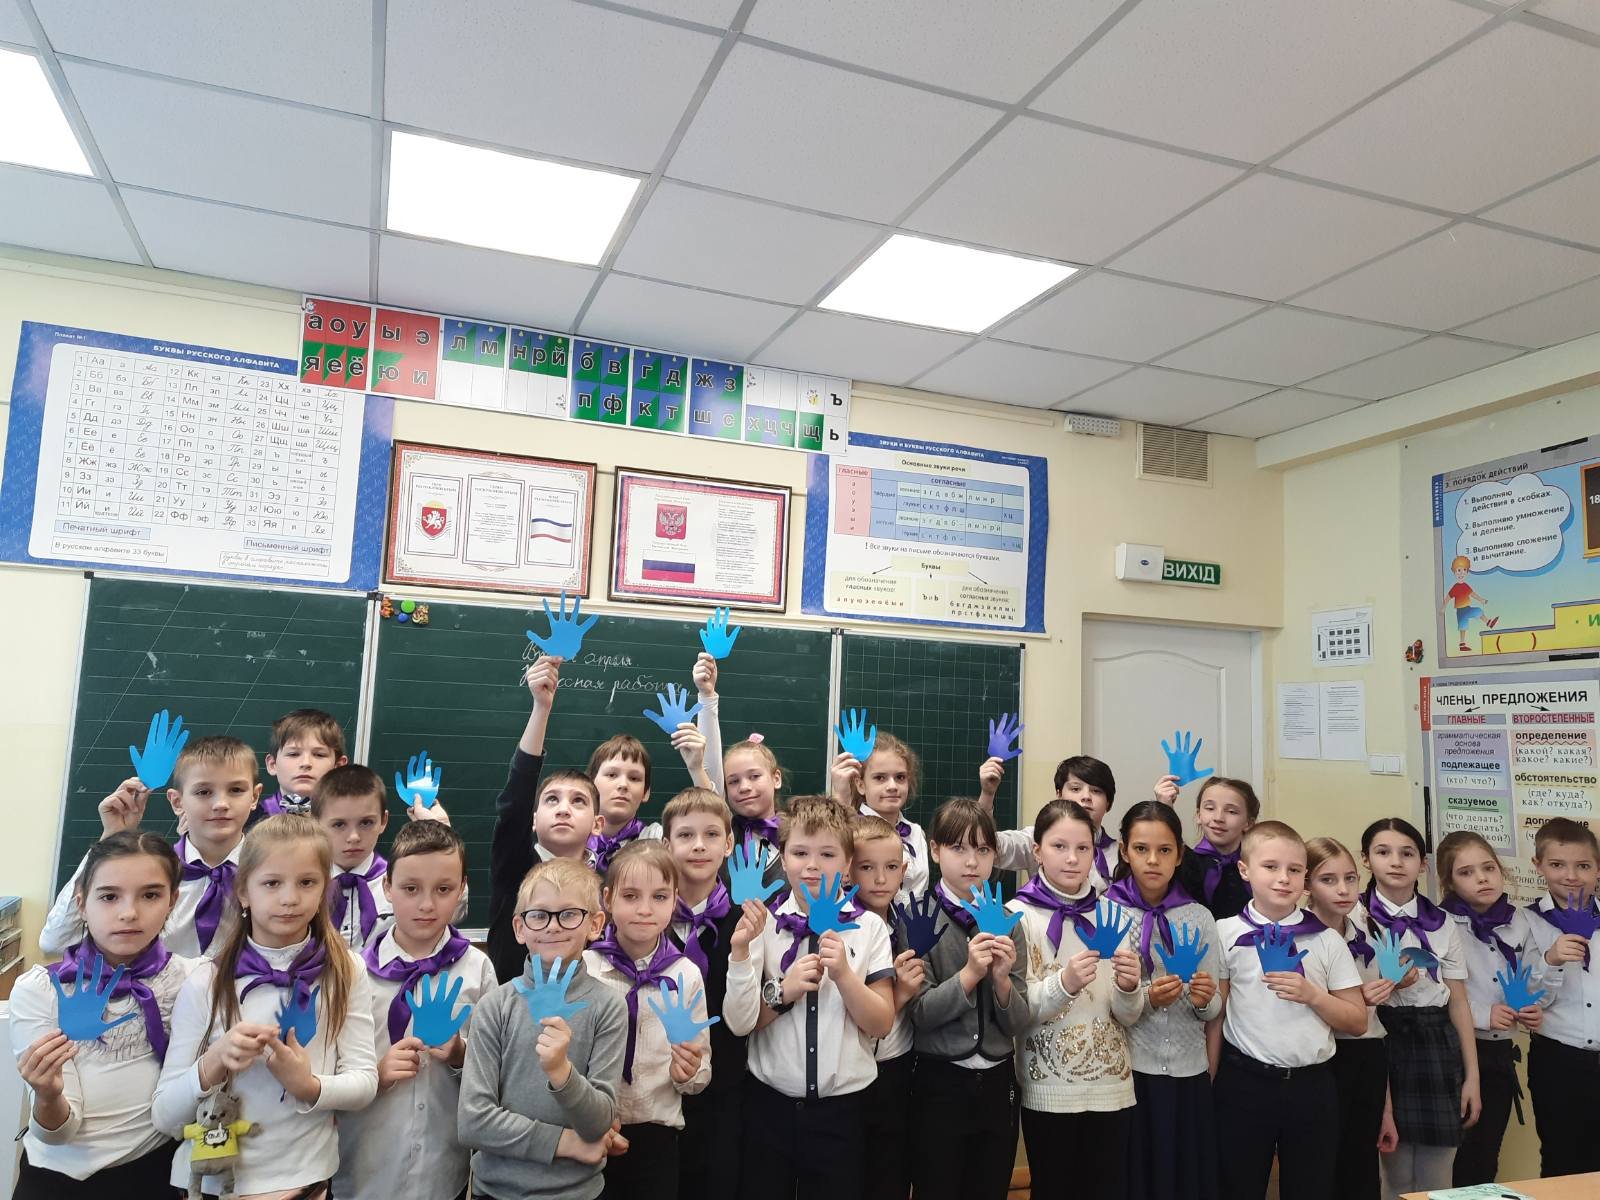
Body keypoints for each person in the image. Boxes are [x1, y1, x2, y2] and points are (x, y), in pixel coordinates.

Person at [152, 813, 379, 1198]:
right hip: (214, 1185)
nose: (289, 898)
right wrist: (214, 1061)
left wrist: (307, 1085)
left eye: (307, 882)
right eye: (272, 883)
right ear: (244, 891)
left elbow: (364, 1083)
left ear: (324, 890)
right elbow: (164, 1115)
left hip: (304, 1182)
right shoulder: (206, 979)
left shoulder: (345, 970)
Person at [725, 795, 896, 1200]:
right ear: (783, 859)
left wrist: (845, 977)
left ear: (848, 864)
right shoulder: (761, 924)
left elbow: (881, 1023)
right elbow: (739, 1023)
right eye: (800, 853)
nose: (812, 865)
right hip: (770, 1109)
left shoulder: (869, 928)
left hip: (844, 1112)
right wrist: (781, 991)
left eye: (828, 854)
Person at [10, 832, 197, 1198]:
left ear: (173, 900)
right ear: (82, 903)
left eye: (150, 895)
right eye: (109, 896)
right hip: (53, 1179)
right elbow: (58, 1133)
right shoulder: (43, 989)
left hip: (152, 1172)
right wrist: (47, 1095)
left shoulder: (194, 980)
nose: (129, 912)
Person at [334, 820, 498, 1200]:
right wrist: (376, 1076)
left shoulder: (477, 969)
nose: (427, 904)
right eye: (411, 889)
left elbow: (496, 1069)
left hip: (444, 1172)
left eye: (443, 889)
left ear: (462, 889)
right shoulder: (353, 973)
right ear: (387, 887)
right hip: (364, 1169)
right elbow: (330, 1068)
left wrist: (459, 1053)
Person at [1213, 820, 1366, 1200]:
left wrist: (1312, 995)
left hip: (1311, 1086)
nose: (1284, 878)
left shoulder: (1326, 940)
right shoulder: (1224, 933)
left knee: (1311, 1188)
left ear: (1305, 878)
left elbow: (1357, 1021)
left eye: (1295, 870)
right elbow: (1216, 1016)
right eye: (1271, 867)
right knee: (1237, 1186)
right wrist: (1210, 1080)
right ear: (1245, 870)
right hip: (1244, 1082)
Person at [459, 856, 627, 1200]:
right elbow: (473, 1122)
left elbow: (599, 1123)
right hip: (495, 1191)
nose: (552, 926)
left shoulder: (608, 1007)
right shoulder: (495, 1006)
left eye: (569, 914)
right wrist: (565, 1143)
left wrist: (561, 1073)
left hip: (577, 1193)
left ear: (595, 924)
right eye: (538, 915)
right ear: (519, 928)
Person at [1008, 797, 1143, 1200]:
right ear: (1037, 851)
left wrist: (1130, 988)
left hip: (1112, 1088)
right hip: (1050, 1089)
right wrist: (1063, 984)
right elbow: (1016, 1010)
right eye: (1059, 846)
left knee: (1108, 1189)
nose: (1072, 858)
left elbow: (1128, 1016)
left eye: (1083, 848)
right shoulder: (1016, 916)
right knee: (1054, 1187)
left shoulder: (1114, 915)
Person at [40, 735, 263, 958]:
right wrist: (110, 840)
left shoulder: (268, 872)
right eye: (203, 792)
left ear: (254, 797)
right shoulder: (152, 874)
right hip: (157, 981)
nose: (221, 804)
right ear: (177, 802)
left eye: (236, 790)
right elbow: (56, 942)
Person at [907, 799, 1029, 1200]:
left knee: (990, 1187)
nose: (972, 861)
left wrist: (1002, 981)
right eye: (958, 848)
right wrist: (970, 974)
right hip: (939, 1082)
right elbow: (920, 1013)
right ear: (935, 850)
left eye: (983, 849)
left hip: (997, 1083)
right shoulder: (917, 917)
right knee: (937, 1186)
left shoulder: (1007, 920)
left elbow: (1018, 1023)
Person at [1107, 801, 1222, 1200]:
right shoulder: (1107, 912)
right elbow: (1104, 1001)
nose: (1153, 860)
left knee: (1185, 1177)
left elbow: (1213, 1008)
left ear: (1180, 854)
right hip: (1130, 1071)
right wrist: (1148, 997)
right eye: (1141, 849)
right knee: (1136, 1177)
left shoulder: (1199, 917)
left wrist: (1205, 1000)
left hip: (1189, 1072)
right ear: (1124, 851)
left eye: (1165, 850)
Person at [1359, 817, 1480, 1197]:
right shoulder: (1354, 917)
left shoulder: (1442, 922)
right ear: (1366, 860)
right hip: (1380, 1037)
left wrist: (1472, 1077)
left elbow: (1458, 1000)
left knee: (1438, 1173)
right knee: (1392, 1172)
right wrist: (1386, 984)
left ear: (1423, 864)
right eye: (1383, 852)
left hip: (1436, 1041)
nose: (1396, 862)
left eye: (1407, 853)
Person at [585, 841, 711, 1200]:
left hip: (658, 1138)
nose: (644, 909)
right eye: (630, 896)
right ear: (607, 900)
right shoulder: (586, 968)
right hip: (592, 1131)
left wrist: (688, 1073)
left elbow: (701, 1071)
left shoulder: (685, 974)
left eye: (659, 897)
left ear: (675, 901)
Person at [1436, 830, 1547, 1187]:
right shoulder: (1440, 924)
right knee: (1449, 1157)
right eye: (1466, 872)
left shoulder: (1521, 921)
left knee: (1484, 1156)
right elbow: (1436, 990)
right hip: (1454, 1052)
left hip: (1500, 1053)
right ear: (1449, 882)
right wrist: (1484, 1014)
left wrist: (1532, 1006)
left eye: (1488, 868)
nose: (1482, 878)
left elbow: (1531, 977)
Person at [662, 788, 745, 1200]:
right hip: (656, 1090)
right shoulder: (647, 919)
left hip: (726, 1091)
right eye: (685, 835)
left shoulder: (745, 920)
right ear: (666, 845)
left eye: (711, 834)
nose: (698, 845)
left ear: (728, 844)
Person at [1305, 835, 1392, 1200]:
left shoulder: (1370, 933)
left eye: (1350, 878)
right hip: (1326, 1057)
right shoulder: (1300, 938)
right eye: (1328, 880)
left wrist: (1387, 1109)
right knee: (1324, 1165)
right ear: (1306, 884)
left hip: (1368, 1056)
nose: (1343, 889)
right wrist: (1350, 1003)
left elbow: (1377, 1026)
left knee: (1362, 1164)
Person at [1521, 816, 1600, 1177]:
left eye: (1583, 866)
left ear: (1597, 868)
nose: (1571, 876)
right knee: (1561, 1161)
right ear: (1538, 865)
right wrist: (1550, 961)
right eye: (1557, 865)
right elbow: (1526, 1003)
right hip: (1559, 1059)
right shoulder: (1526, 923)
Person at [850, 812, 921, 1200]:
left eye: (891, 867)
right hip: (852, 1067)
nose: (880, 879)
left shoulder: (911, 924)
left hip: (897, 1067)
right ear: (848, 870)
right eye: (867, 867)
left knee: (890, 1173)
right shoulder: (840, 927)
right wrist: (901, 994)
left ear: (904, 871)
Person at [980, 755, 1127, 892]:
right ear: (1059, 795)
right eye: (1076, 789)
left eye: (1096, 791)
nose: (1086, 796)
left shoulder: (1122, 855)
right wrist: (987, 794)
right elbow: (987, 846)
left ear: (1108, 803)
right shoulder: (1039, 838)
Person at [832, 732, 928, 900]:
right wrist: (839, 798)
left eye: (900, 777)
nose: (892, 786)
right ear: (860, 785)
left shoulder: (915, 833)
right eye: (880, 778)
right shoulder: (847, 831)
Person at [313, 764, 393, 950]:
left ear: (383, 821)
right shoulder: (301, 883)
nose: (354, 837)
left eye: (366, 823)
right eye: (339, 824)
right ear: (316, 824)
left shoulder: (400, 884)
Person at [1176, 777, 1259, 920]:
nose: (1218, 818)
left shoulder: (1257, 865)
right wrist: (1165, 806)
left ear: (1248, 823)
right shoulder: (1185, 863)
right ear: (1198, 815)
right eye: (1210, 808)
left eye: (1231, 811)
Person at [721, 735, 787, 892]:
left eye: (755, 776)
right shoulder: (723, 834)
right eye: (733, 781)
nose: (744, 787)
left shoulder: (799, 831)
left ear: (776, 779)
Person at [259, 707, 349, 818]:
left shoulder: (351, 821)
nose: (306, 763)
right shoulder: (250, 820)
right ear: (273, 764)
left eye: (319, 755)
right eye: (293, 754)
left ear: (338, 767)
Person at [1441, 554, 1497, 653]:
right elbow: (1448, 598)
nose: (1461, 573)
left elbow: (1473, 594)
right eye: (1458, 570)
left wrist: (1481, 600)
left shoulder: (1466, 586)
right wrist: (1443, 607)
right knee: (1463, 627)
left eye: (1464, 570)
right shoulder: (1455, 587)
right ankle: (1462, 644)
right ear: (1454, 572)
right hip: (1461, 611)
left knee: (1478, 611)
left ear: (1467, 572)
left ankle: (1489, 623)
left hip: (1467, 608)